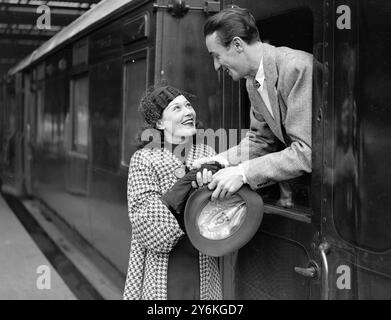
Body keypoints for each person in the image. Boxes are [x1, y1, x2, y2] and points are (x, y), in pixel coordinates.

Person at [193, 7, 313, 202]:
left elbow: (306, 151)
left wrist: (242, 173)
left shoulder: (297, 68)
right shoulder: (252, 81)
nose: (216, 65)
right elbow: (261, 140)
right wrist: (221, 160)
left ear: (237, 45)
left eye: (217, 55)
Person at [123, 85, 222, 300]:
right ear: (159, 123)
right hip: (164, 266)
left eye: (188, 105)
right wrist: (187, 183)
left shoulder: (207, 153)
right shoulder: (144, 158)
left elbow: (224, 211)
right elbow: (146, 222)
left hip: (203, 261)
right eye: (176, 108)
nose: (188, 112)